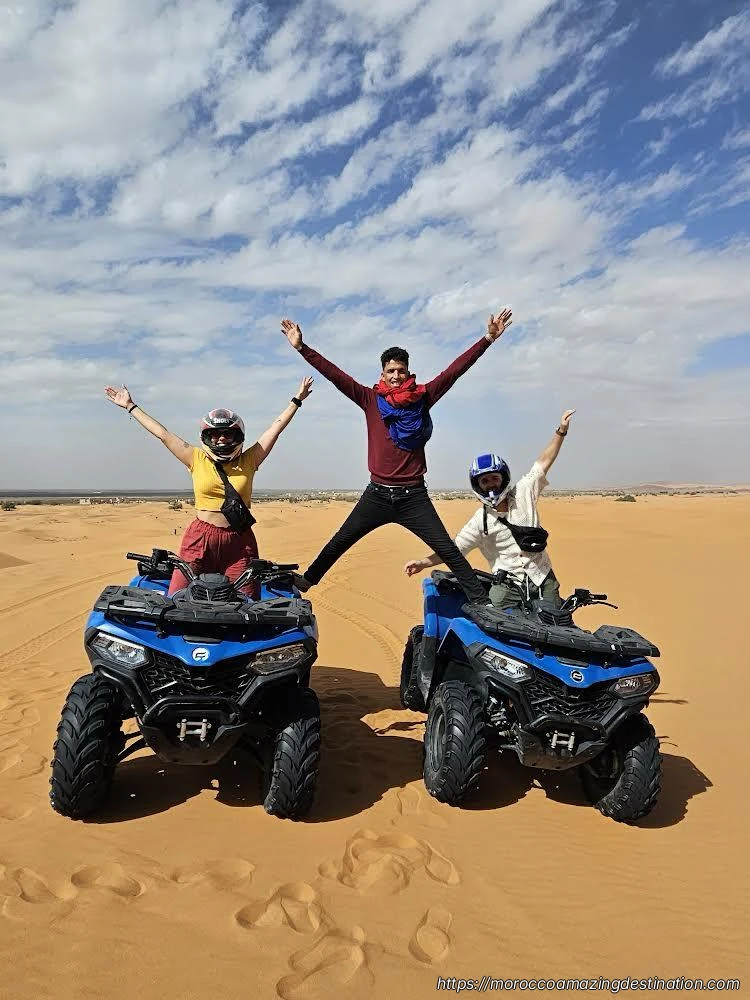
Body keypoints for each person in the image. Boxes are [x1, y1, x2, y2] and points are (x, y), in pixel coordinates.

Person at [279, 311, 513, 604]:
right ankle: (308, 580)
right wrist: (302, 348)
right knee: (341, 539)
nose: (396, 376)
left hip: (413, 497)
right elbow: (335, 374)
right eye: (390, 371)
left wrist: (488, 339)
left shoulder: (423, 397)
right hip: (376, 495)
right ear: (382, 374)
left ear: (407, 372)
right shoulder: (369, 399)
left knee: (448, 550)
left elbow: (455, 371)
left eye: (400, 370)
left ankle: (481, 602)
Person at [104, 376, 314, 596]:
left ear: (237, 435)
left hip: (239, 542)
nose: (221, 439)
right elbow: (163, 434)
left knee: (247, 602)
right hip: (199, 538)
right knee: (177, 597)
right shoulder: (195, 458)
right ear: (207, 437)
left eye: (227, 433)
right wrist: (130, 406)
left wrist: (296, 401)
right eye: (215, 434)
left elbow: (275, 429)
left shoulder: (250, 460)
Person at [404, 409, 576, 609]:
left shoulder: (524, 493)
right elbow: (454, 550)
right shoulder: (479, 522)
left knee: (556, 626)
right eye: (485, 481)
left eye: (495, 478)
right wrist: (423, 562)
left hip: (542, 577)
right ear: (478, 485)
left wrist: (560, 431)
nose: (491, 484)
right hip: (507, 585)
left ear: (503, 478)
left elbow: (543, 463)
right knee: (490, 622)